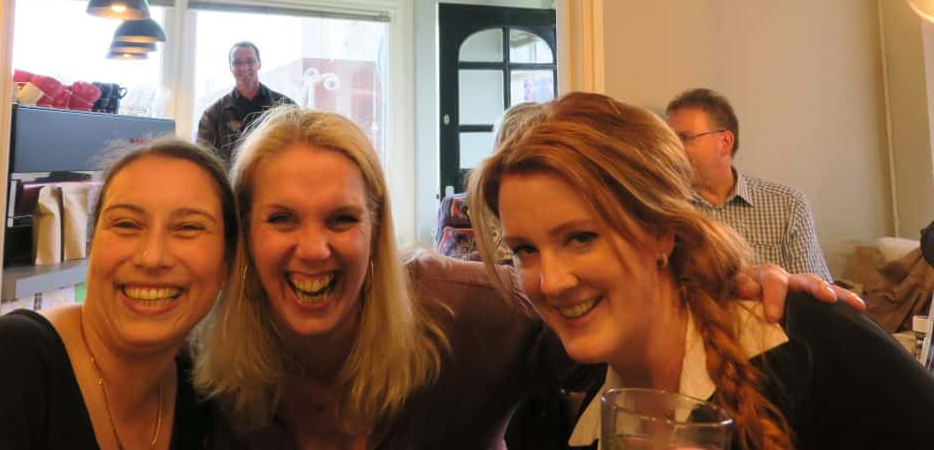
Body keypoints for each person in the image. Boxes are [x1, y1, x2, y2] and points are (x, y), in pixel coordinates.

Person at [194, 105, 861, 450]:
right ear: (243, 234)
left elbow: (637, 329)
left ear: (377, 227)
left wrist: (729, 282)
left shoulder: (469, 313)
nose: (313, 249)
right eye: (281, 219)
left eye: (342, 219)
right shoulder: (197, 362)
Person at [469, 92, 934, 450]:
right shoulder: (561, 410)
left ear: (661, 232)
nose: (550, 281)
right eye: (525, 250)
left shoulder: (811, 342)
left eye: (581, 238)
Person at [0, 138, 238, 448]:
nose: (152, 257)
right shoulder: (4, 368)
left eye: (188, 227)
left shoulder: (204, 397)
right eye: (126, 224)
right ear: (92, 244)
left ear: (228, 263)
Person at [665, 87, 831, 280]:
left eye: (685, 138)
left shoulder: (789, 205)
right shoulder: (668, 210)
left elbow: (815, 291)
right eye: (670, 140)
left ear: (725, 142)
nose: (673, 149)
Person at [197, 41, 294, 168]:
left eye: (250, 61)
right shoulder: (213, 114)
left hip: (274, 177)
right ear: (230, 67)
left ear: (259, 64)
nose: (243, 67)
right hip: (232, 180)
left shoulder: (286, 107)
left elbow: (297, 150)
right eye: (237, 63)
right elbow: (203, 161)